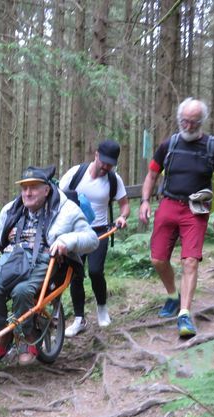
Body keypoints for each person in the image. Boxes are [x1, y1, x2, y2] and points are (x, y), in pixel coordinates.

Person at [0, 166, 98, 366]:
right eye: (24, 188)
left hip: (47, 261)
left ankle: (28, 335)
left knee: (22, 291)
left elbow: (91, 239)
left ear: (47, 189)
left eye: (33, 188)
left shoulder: (66, 209)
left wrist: (66, 242)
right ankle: (2, 333)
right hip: (15, 259)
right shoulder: (12, 208)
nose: (27, 193)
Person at [139, 97, 214, 338]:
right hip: (168, 203)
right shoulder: (168, 144)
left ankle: (184, 314)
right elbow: (151, 174)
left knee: (190, 261)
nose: (188, 126)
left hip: (195, 209)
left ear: (202, 121)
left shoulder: (213, 147)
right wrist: (146, 201)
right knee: (158, 259)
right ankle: (172, 295)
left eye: (193, 122)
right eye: (184, 121)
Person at [58, 139, 130, 336]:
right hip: (76, 232)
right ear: (96, 155)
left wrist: (122, 217)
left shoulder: (114, 180)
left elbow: (124, 205)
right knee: (75, 275)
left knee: (96, 272)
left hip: (100, 231)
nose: (106, 166)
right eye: (104, 161)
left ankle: (102, 308)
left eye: (111, 164)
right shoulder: (76, 173)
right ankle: (79, 319)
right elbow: (58, 196)